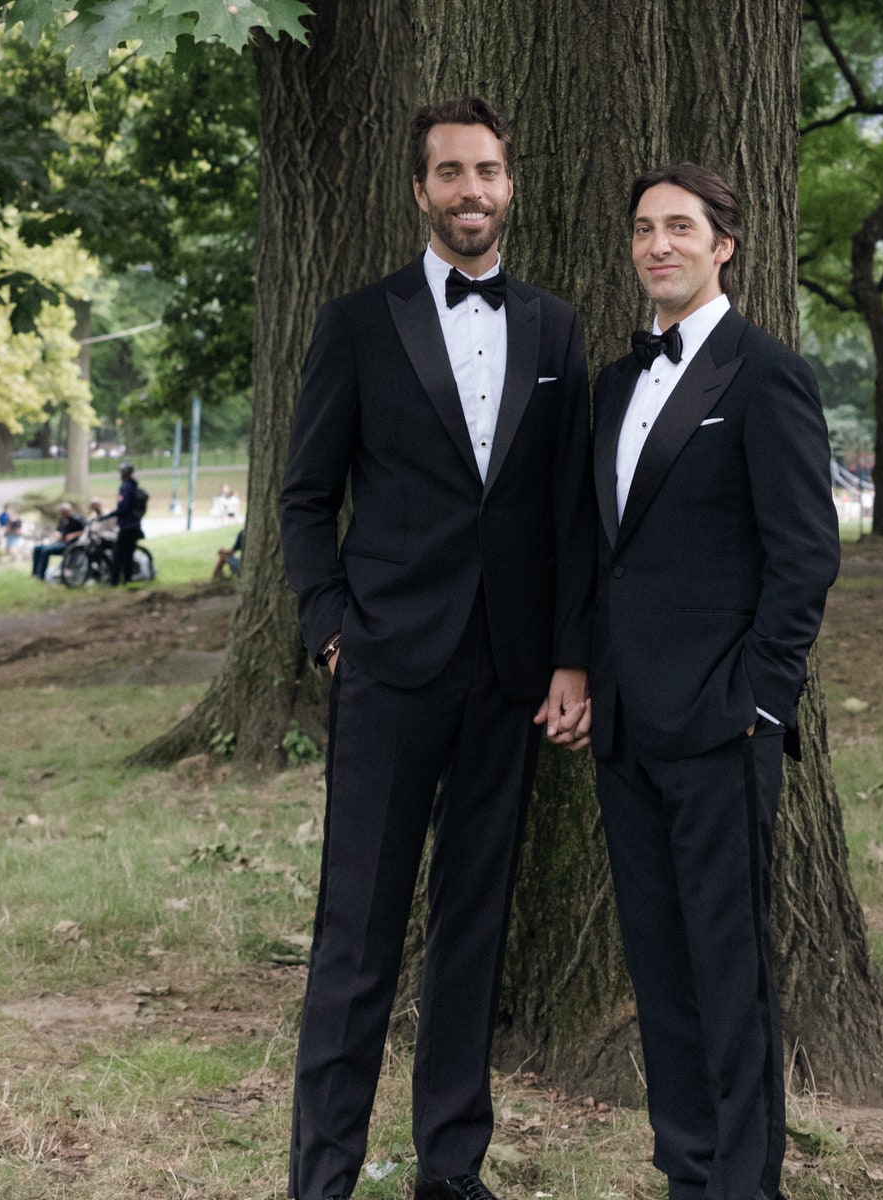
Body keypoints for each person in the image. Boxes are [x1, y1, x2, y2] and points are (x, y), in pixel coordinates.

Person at [278, 96, 595, 1200]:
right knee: (355, 939)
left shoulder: (557, 329)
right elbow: (306, 496)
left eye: (489, 172)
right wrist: (329, 629)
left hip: (507, 676)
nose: (471, 191)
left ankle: (449, 1174)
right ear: (421, 190)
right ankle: (321, 1176)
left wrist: (567, 656)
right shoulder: (356, 324)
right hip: (385, 667)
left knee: (472, 933)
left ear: (511, 187)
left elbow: (565, 510)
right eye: (450, 173)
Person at [588, 163, 840, 1200]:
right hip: (624, 727)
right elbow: (600, 548)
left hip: (722, 729)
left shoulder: (764, 373)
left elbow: (804, 555)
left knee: (728, 973)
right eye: (644, 228)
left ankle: (745, 1182)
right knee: (658, 967)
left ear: (723, 244)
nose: (659, 245)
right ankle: (685, 1170)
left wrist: (761, 702)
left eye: (679, 227)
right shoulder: (612, 384)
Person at [101, 462, 145, 585]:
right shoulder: (134, 485)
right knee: (129, 553)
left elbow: (123, 507)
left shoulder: (125, 487)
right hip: (135, 525)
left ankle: (115, 581)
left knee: (118, 553)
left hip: (126, 525)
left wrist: (111, 514)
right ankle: (127, 579)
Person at [31, 502, 85, 581]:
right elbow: (58, 530)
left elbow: (86, 530)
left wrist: (73, 535)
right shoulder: (63, 520)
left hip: (71, 545)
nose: (63, 514)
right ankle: (35, 574)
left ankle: (41, 576)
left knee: (46, 550)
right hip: (60, 542)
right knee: (37, 548)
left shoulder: (78, 519)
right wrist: (57, 534)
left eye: (64, 512)